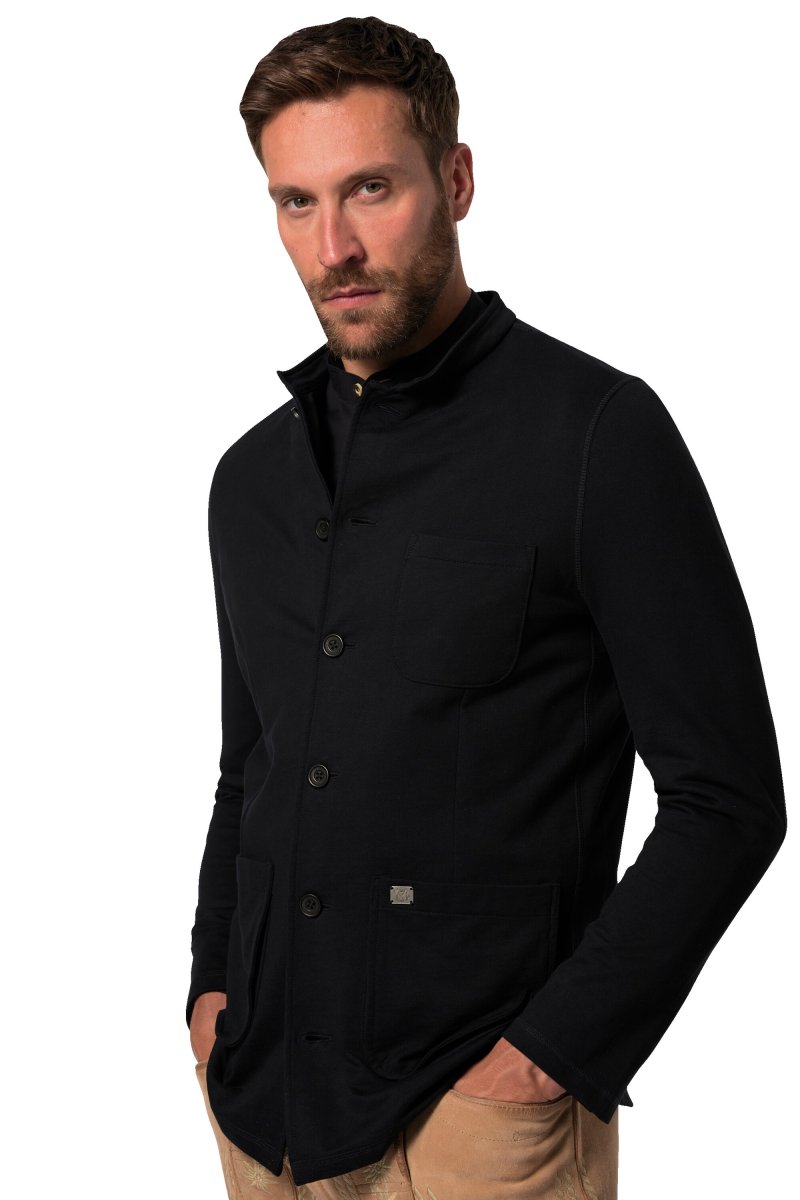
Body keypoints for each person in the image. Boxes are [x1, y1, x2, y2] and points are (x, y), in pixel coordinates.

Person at [186, 16, 786, 1199]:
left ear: (454, 181)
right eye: (296, 202)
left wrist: (543, 1061)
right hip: (262, 1115)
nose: (333, 247)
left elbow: (726, 801)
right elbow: (247, 770)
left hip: (476, 1132)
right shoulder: (248, 481)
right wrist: (212, 996)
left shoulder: (596, 437)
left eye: (370, 189)